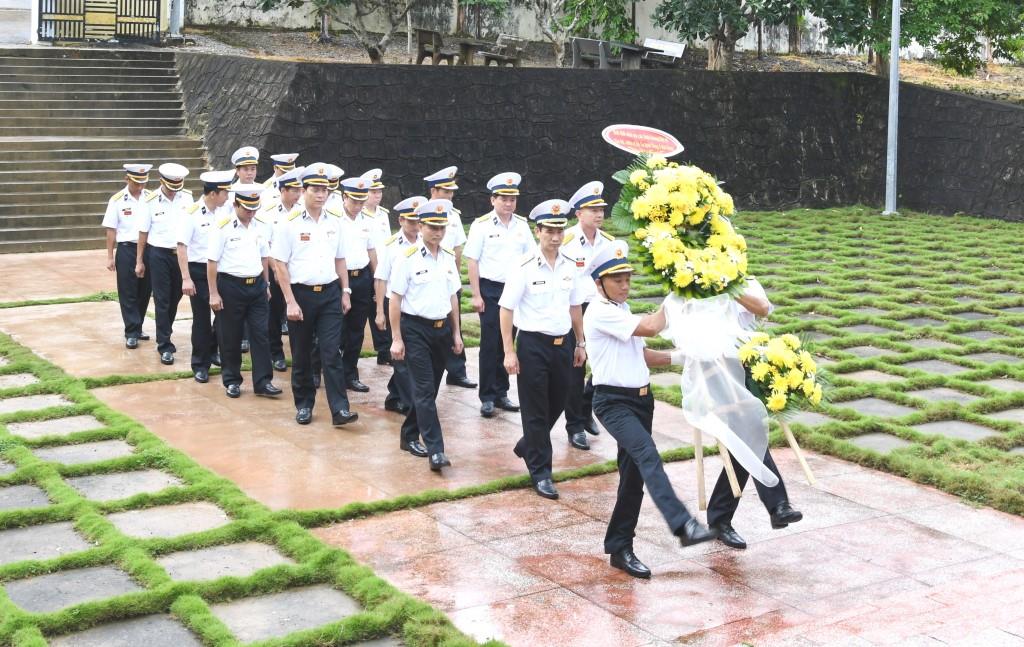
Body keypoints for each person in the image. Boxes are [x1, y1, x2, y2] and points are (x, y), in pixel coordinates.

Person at [585, 240, 715, 579]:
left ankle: (619, 547)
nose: (625, 285)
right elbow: (653, 326)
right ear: (599, 282)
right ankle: (682, 523)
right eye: (617, 280)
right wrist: (678, 289)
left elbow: (642, 355)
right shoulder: (600, 311)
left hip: (641, 400)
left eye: (628, 278)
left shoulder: (621, 309)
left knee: (633, 477)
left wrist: (685, 358)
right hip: (612, 401)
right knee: (647, 453)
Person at [706, 277, 803, 549]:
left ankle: (720, 517)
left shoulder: (744, 281)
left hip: (747, 368)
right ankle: (778, 504)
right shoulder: (698, 283)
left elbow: (762, 309)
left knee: (745, 442)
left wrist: (728, 287)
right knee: (749, 435)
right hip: (716, 369)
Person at [500, 199, 586, 500]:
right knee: (535, 409)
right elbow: (506, 309)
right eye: (549, 231)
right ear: (538, 232)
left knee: (560, 400)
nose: (555, 236)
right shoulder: (523, 265)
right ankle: (541, 472)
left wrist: (580, 342)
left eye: (560, 231)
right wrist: (509, 352)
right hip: (533, 344)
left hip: (563, 344)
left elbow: (575, 305)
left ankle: (529, 444)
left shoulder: (570, 264)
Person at [271, 164, 357, 427]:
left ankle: (340, 409)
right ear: (303, 191)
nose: (321, 195)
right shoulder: (288, 223)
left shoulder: (335, 222)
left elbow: (340, 258)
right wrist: (290, 301)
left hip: (330, 293)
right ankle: (304, 404)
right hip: (301, 294)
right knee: (302, 353)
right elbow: (279, 265)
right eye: (316, 190)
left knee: (331, 352)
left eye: (325, 190)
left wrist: (345, 291)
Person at [389, 198, 464, 472]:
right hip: (415, 329)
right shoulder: (406, 258)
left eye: (442, 227)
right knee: (422, 388)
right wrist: (396, 338)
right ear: (420, 226)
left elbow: (453, 298)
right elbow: (394, 300)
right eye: (432, 226)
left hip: (441, 330)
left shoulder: (446, 258)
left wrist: (456, 333)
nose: (438, 232)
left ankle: (408, 434)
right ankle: (436, 450)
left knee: (429, 390)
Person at [465, 172, 534, 418]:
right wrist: (476, 294)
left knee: (509, 341)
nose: (508, 203)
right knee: (490, 342)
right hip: (491, 289)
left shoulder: (522, 226)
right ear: (492, 200)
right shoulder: (481, 225)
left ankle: (502, 392)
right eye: (503, 198)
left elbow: (531, 258)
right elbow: (472, 261)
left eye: (512, 199)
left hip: (515, 289)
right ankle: (487, 396)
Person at [207, 184, 282, 399]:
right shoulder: (222, 227)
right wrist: (213, 293)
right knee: (230, 336)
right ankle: (232, 380)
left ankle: (263, 382)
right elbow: (212, 262)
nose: (251, 213)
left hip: (257, 286)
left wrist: (266, 285)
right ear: (236, 204)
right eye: (247, 208)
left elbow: (264, 257)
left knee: (260, 334)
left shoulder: (261, 225)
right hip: (231, 286)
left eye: (254, 208)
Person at [562, 181, 615, 448]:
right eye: (592, 209)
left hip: (602, 309)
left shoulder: (608, 243)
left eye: (601, 209)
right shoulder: (567, 241)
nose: (599, 214)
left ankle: (585, 407)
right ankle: (574, 425)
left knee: (604, 362)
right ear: (578, 213)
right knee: (576, 366)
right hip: (576, 309)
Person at [177, 169, 233, 383]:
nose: (228, 197)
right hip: (199, 271)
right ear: (213, 194)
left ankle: (213, 350)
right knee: (201, 319)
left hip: (222, 270)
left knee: (223, 317)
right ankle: (200, 364)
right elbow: (182, 246)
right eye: (224, 192)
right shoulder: (191, 213)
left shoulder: (226, 211)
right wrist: (186, 278)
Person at [423, 166, 475, 389]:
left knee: (455, 324)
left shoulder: (453, 216)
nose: (451, 196)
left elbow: (457, 248)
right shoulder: (421, 214)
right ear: (434, 190)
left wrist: (453, 277)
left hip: (447, 277)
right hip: (424, 278)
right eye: (446, 191)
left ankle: (456, 370)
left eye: (452, 191)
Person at [373, 195, 425, 415]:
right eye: (411, 221)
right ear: (401, 220)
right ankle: (408, 400)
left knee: (413, 356)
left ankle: (395, 395)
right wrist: (379, 313)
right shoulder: (391, 245)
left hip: (418, 306)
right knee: (401, 355)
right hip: (395, 305)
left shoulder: (427, 242)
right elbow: (381, 278)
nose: (415, 226)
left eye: (418, 221)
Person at [136, 163, 191, 365]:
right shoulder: (149, 200)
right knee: (162, 298)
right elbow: (143, 232)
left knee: (176, 296)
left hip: (181, 254)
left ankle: (165, 331)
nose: (174, 189)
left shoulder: (186, 197)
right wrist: (139, 260)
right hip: (158, 253)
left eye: (178, 185)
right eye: (171, 186)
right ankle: (164, 344)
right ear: (162, 182)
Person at [256, 165, 305, 372]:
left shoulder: (303, 211)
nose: (298, 194)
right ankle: (276, 353)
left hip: (299, 271)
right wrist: (275, 270)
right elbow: (265, 246)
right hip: (275, 270)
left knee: (299, 315)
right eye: (294, 190)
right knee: (274, 314)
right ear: (283, 190)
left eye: (299, 190)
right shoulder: (268, 213)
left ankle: (300, 355)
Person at [102, 163, 153, 349]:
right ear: (127, 179)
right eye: (136, 182)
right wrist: (110, 255)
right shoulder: (117, 200)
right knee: (128, 291)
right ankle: (131, 331)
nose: (140, 187)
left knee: (145, 290)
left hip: (148, 249)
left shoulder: (151, 198)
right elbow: (111, 229)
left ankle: (138, 326)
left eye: (143, 183)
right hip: (126, 249)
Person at [337, 176, 379, 393]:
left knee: (357, 329)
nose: (358, 206)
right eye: (354, 201)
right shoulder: (333, 219)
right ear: (344, 197)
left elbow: (371, 251)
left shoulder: (367, 221)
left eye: (361, 201)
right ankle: (317, 370)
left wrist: (376, 280)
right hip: (338, 279)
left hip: (361, 277)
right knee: (333, 329)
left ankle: (350, 374)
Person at [360, 169, 396, 367]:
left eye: (380, 191)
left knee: (381, 306)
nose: (378, 195)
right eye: (374, 191)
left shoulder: (383, 214)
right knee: (364, 308)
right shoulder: (359, 215)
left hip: (383, 268)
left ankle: (384, 349)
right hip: (365, 268)